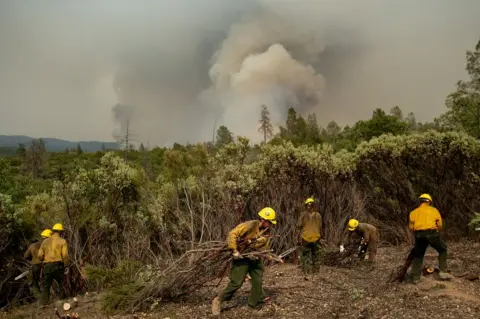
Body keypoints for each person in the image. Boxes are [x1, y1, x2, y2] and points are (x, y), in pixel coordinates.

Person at [211, 207, 279, 315]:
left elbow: (264, 245)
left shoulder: (266, 231)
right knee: (237, 283)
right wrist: (234, 250)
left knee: (258, 281)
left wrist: (267, 254)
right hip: (242, 257)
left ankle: (253, 305)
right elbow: (232, 234)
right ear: (263, 220)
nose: (271, 225)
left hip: (255, 258)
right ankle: (218, 300)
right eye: (270, 222)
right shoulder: (250, 225)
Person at [408, 194, 453, 282]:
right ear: (429, 201)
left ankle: (415, 278)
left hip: (419, 235)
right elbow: (439, 224)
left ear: (420, 201)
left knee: (418, 255)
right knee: (443, 249)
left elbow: (411, 227)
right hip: (432, 234)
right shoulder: (434, 210)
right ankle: (443, 272)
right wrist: (437, 230)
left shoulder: (413, 212)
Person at [38, 223, 69, 306]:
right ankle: (61, 300)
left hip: (47, 266)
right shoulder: (63, 241)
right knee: (61, 283)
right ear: (60, 232)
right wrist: (66, 266)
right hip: (58, 265)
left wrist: (43, 259)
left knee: (46, 285)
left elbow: (40, 255)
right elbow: (65, 255)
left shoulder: (45, 241)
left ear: (53, 231)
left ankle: (42, 304)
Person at [297, 197, 323, 273]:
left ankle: (305, 271)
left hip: (306, 238)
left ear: (306, 206)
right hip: (316, 238)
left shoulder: (303, 215)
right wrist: (320, 236)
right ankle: (316, 271)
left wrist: (298, 238)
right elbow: (320, 227)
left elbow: (299, 226)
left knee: (305, 256)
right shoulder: (318, 215)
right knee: (316, 255)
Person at [24, 229, 52, 297]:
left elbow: (26, 256)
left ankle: (40, 298)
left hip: (36, 266)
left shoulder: (33, 245)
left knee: (33, 282)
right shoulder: (51, 246)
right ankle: (48, 297)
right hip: (48, 265)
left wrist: (32, 260)